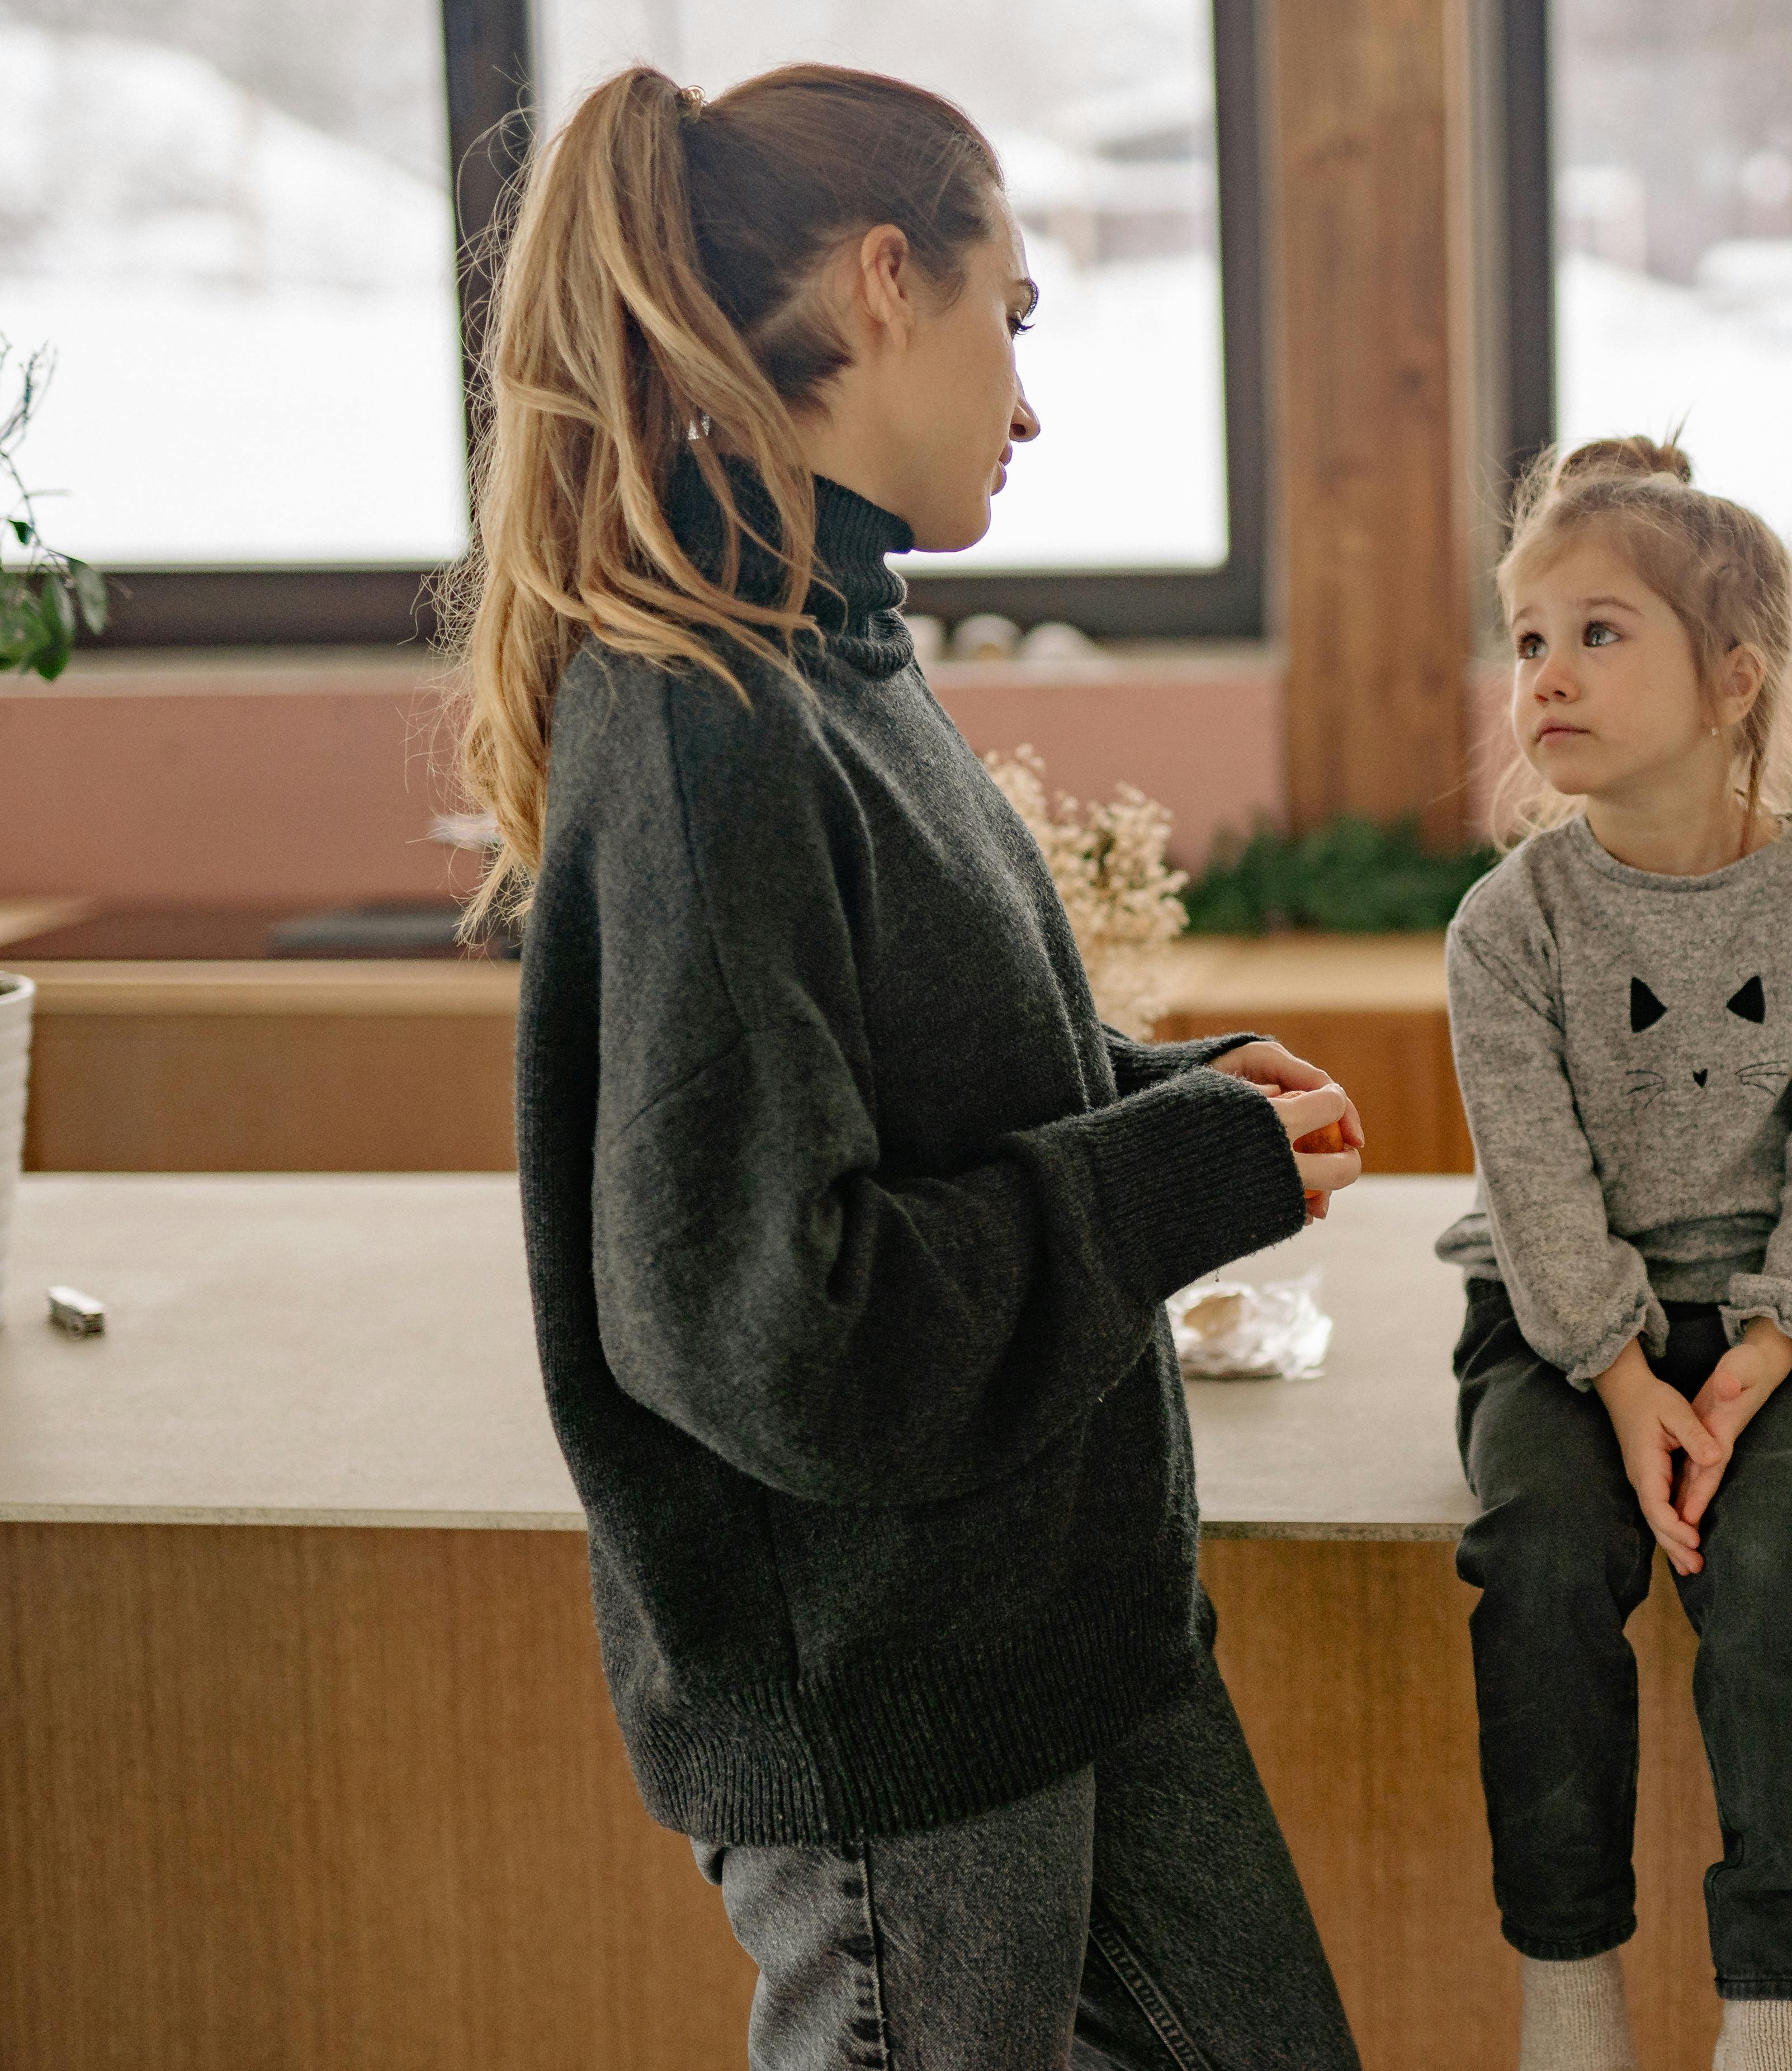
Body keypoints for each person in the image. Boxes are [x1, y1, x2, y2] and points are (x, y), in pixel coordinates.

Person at [446, 62, 1366, 2069]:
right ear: (882, 284)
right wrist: (1169, 1174)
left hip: (1053, 1633)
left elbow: (935, 1090)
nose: (1026, 401)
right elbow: (784, 1324)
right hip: (899, 1707)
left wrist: (1170, 1098)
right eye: (1007, 317)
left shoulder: (834, 654)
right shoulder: (706, 717)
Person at [1438, 438, 1792, 2071]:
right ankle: (1567, 1989)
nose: (1546, 675)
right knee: (1543, 1560)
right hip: (1563, 1324)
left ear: (1732, 681)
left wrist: (1770, 1353)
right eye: (1525, 639)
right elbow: (1539, 1185)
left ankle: (1778, 2011)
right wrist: (1625, 1379)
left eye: (1598, 632)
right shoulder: (1511, 926)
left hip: (1786, 1318)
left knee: (1781, 1572)